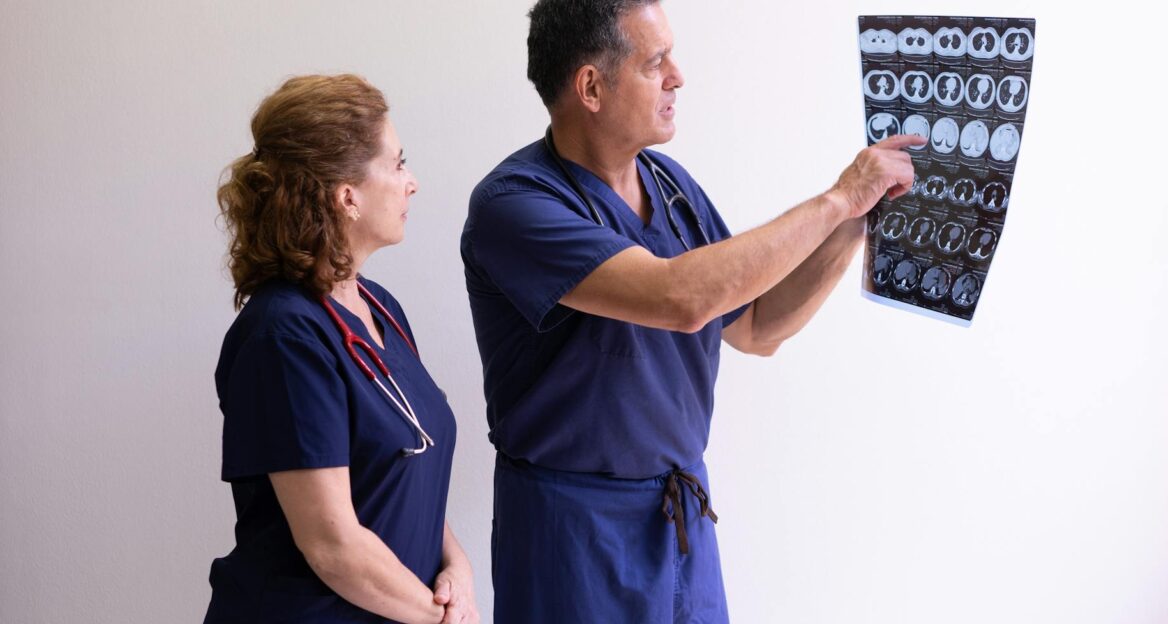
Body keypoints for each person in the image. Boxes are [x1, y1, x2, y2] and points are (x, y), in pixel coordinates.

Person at [459, 1, 923, 621]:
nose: (678, 75)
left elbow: (757, 328)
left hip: (681, 520)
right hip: (572, 532)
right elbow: (681, 298)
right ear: (591, 86)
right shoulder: (515, 205)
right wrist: (837, 198)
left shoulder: (672, 188)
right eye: (655, 62)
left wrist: (854, 223)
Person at [205, 74, 478, 624]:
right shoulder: (283, 338)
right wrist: (440, 618)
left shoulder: (381, 309)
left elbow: (405, 470)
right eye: (398, 164)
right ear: (346, 196)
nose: (412, 182)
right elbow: (333, 547)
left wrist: (459, 569)